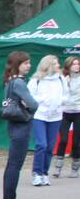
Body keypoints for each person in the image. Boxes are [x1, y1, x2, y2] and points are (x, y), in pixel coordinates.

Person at [1, 51, 37, 199]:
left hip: (13, 124)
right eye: (25, 63)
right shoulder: (19, 83)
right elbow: (34, 104)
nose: (29, 65)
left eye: (29, 63)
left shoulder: (9, 81)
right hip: (21, 125)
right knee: (15, 165)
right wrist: (29, 105)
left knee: (12, 165)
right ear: (17, 65)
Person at [26, 55, 64, 186]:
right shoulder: (36, 80)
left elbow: (65, 95)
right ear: (47, 65)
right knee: (41, 144)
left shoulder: (61, 78)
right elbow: (29, 97)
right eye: (55, 63)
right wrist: (44, 99)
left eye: (58, 63)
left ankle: (44, 173)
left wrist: (60, 103)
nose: (58, 65)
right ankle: (36, 173)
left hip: (56, 116)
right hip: (39, 116)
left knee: (50, 146)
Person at [57, 56, 80, 178]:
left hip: (78, 112)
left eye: (78, 64)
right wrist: (65, 82)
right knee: (63, 139)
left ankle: (75, 167)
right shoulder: (62, 78)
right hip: (65, 112)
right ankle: (58, 167)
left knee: (76, 142)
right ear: (68, 66)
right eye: (74, 64)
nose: (77, 66)